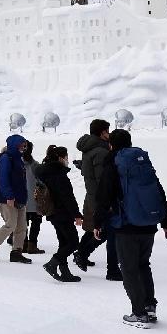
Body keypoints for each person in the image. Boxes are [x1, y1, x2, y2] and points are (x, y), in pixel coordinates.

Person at [92, 129, 167, 328]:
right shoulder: (142, 162)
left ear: (111, 144)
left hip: (127, 225)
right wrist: (166, 220)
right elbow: (158, 190)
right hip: (149, 223)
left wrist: (97, 223)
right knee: (143, 265)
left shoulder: (113, 164)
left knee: (129, 269)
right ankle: (149, 307)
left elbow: (104, 196)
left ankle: (139, 314)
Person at [72, 119, 121, 281]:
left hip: (92, 195)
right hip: (101, 197)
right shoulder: (101, 151)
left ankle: (81, 254)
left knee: (94, 228)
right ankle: (82, 254)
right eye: (108, 131)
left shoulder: (90, 149)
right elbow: (103, 179)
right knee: (106, 230)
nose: (109, 134)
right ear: (102, 132)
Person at [36, 145, 83, 282]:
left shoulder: (45, 172)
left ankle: (64, 271)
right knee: (73, 242)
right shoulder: (59, 175)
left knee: (63, 242)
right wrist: (77, 215)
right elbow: (67, 197)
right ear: (60, 158)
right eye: (66, 157)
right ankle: (52, 264)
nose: (67, 160)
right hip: (62, 212)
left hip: (52, 212)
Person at [0, 134, 32, 264]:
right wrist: (9, 196)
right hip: (9, 198)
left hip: (20, 198)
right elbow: (3, 179)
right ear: (15, 145)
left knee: (22, 227)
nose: (24, 147)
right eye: (22, 145)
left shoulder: (18, 158)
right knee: (11, 224)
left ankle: (17, 252)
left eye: (25, 145)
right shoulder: (6, 158)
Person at [21, 141, 46, 254]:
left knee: (23, 223)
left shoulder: (17, 164)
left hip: (21, 200)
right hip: (35, 200)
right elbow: (41, 182)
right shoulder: (35, 165)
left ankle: (24, 244)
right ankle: (32, 245)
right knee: (36, 223)